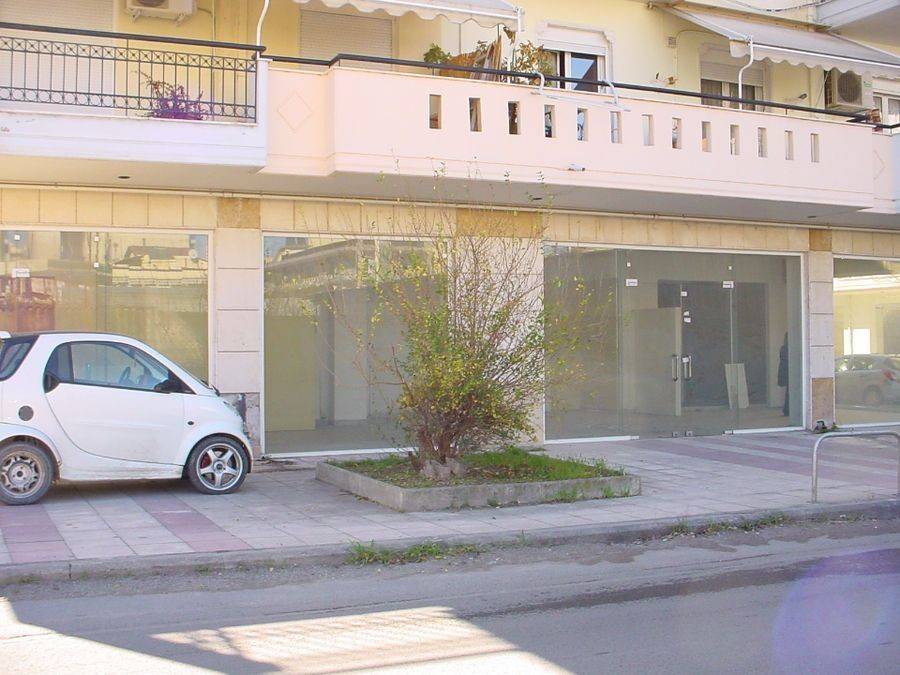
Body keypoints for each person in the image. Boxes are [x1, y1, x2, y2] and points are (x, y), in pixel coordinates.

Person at [778, 333, 789, 416]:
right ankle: (786, 410)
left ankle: (786, 410)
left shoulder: (783, 348)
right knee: (788, 392)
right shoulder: (786, 348)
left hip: (785, 371)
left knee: (787, 392)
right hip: (787, 371)